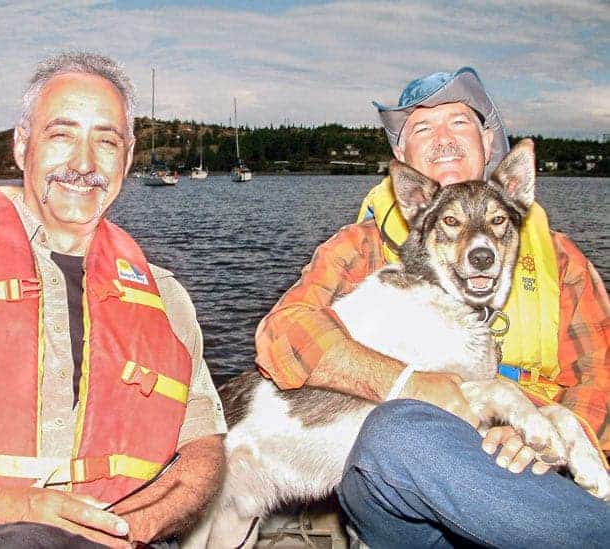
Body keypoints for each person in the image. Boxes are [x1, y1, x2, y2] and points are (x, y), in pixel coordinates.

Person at [0, 52, 226, 548]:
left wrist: (135, 528)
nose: (84, 164)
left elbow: (203, 451)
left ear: (126, 160)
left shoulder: (167, 298)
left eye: (106, 142)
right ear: (22, 146)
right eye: (62, 135)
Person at [256, 67, 610, 547]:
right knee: (396, 431)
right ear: (402, 157)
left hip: (537, 484)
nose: (443, 139)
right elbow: (282, 336)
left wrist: (546, 437)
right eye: (422, 129)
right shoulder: (360, 248)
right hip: (402, 487)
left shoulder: (561, 258)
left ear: (489, 143)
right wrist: (404, 383)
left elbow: (600, 378)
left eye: (459, 123)